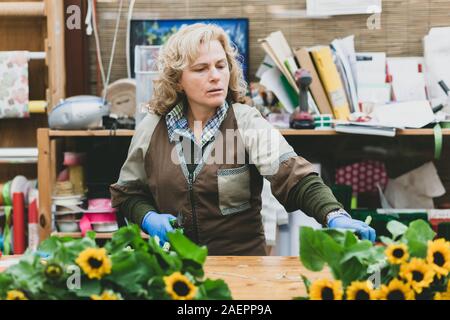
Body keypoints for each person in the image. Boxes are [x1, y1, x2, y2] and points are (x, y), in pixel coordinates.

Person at [110, 23, 375, 255]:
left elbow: (293, 174)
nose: (215, 75)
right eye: (201, 68)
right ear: (178, 80)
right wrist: (147, 217)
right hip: (176, 269)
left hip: (241, 267)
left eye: (221, 65)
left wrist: (334, 215)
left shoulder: (246, 122)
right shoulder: (152, 128)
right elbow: (128, 193)